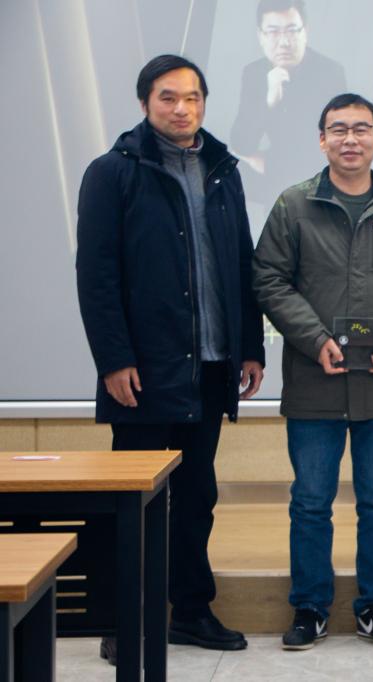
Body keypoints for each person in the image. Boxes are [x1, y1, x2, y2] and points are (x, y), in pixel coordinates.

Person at [76, 54, 266, 664]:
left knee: (197, 495)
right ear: (144, 104)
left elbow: (241, 263)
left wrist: (251, 346)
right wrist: (113, 359)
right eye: (168, 97)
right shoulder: (113, 172)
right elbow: (96, 275)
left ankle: (191, 611)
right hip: (144, 369)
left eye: (192, 98)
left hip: (210, 366)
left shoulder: (222, 170)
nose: (182, 109)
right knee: (133, 500)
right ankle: (121, 618)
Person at [252, 93, 373, 650]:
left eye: (362, 129)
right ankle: (310, 606)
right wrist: (315, 339)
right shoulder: (293, 205)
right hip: (315, 379)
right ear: (322, 139)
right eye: (339, 129)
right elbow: (269, 279)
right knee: (310, 502)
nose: (350, 139)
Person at [230, 0, 347, 201]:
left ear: (305, 31)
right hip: (275, 192)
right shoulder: (254, 73)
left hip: (319, 190)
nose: (284, 42)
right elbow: (241, 144)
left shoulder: (330, 74)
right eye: (273, 32)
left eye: (292, 31)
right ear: (261, 36)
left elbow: (332, 147)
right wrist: (269, 101)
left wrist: (270, 165)